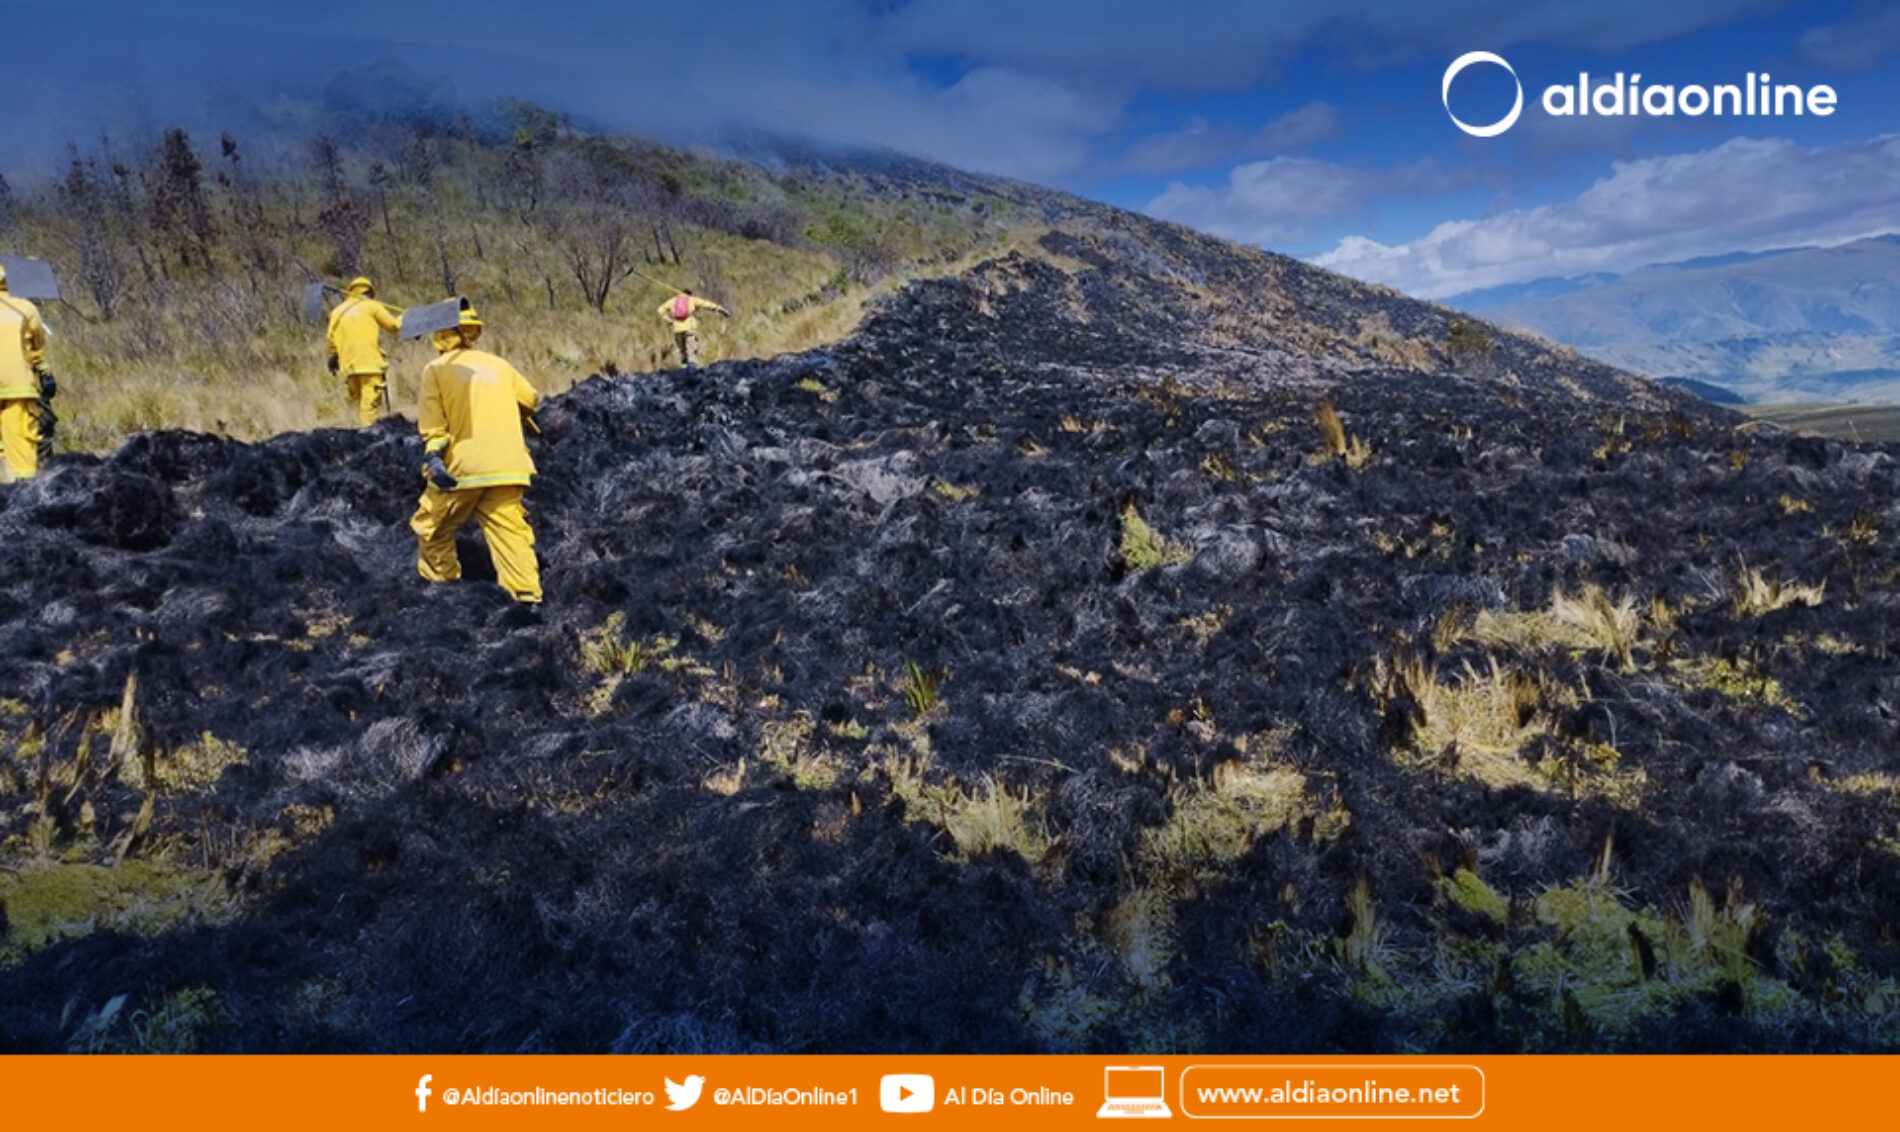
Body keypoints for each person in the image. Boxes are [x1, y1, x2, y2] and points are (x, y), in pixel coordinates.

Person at [409, 305, 543, 605]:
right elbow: (531, 398)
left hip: (463, 468)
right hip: (510, 465)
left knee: (433, 527)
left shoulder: (436, 370)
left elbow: (433, 426)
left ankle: (442, 592)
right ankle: (526, 598)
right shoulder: (499, 365)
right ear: (473, 331)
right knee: (511, 532)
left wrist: (432, 457)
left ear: (440, 334)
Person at [325, 276, 403, 426]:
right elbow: (393, 326)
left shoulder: (336, 312)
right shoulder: (372, 306)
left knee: (356, 405)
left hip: (348, 367)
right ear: (369, 292)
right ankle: (368, 438)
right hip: (370, 365)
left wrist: (333, 355)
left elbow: (330, 340)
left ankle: (354, 435)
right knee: (369, 408)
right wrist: (405, 317)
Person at [0, 264, 50, 483]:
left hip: (15, 388)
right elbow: (36, 347)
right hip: (17, 388)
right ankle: (25, 496)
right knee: (20, 444)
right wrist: (45, 372)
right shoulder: (25, 308)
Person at [657, 288, 729, 368]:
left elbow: (660, 310)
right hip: (690, 328)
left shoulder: (673, 301)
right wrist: (721, 310)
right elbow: (707, 304)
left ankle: (682, 369)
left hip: (677, 329)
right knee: (691, 351)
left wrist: (668, 320)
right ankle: (692, 371)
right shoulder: (692, 300)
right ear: (689, 294)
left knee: (681, 351)